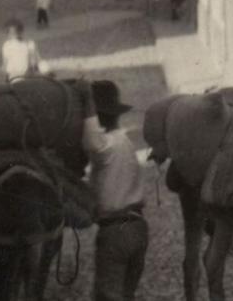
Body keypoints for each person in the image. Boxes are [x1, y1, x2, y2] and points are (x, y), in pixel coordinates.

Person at [81, 80, 148, 301]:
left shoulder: (107, 146)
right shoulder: (125, 142)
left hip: (115, 231)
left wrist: (86, 106)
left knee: (107, 295)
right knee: (126, 294)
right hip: (138, 227)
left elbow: (93, 142)